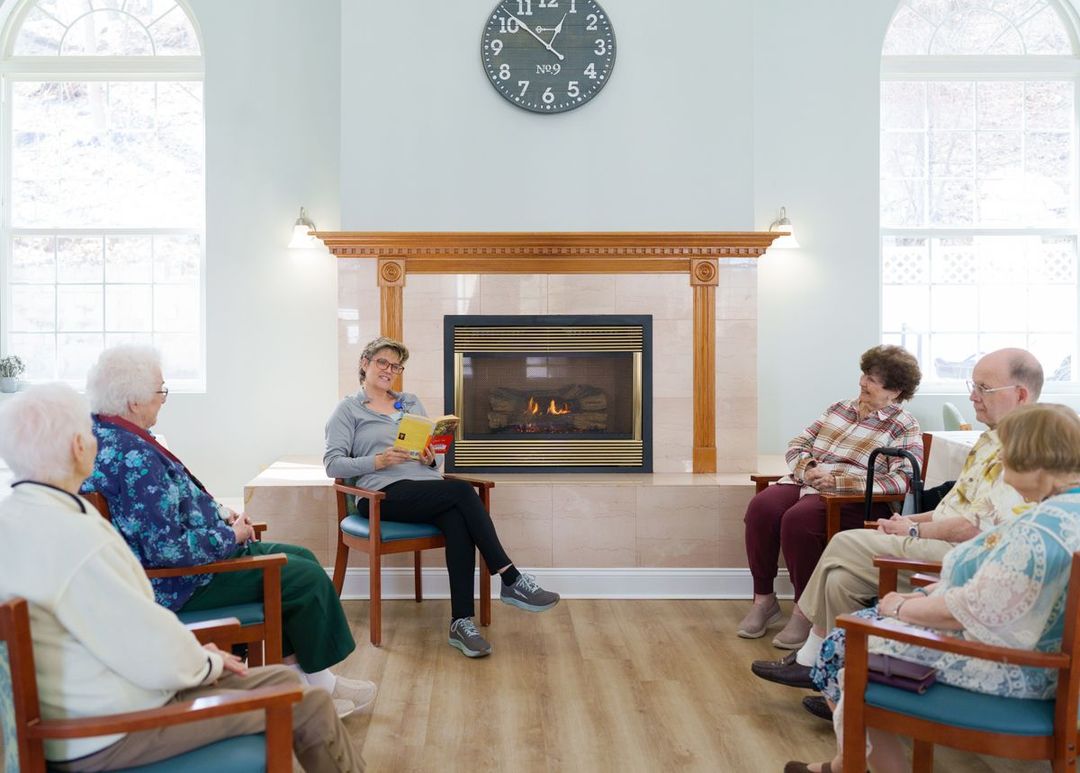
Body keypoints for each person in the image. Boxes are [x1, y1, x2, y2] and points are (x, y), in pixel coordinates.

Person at [0, 384, 365, 772]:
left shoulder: (17, 519)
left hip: (87, 707)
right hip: (109, 730)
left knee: (280, 679)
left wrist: (200, 659)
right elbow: (144, 643)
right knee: (306, 706)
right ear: (78, 446)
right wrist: (206, 661)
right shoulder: (80, 540)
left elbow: (128, 630)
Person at [79, 345, 375, 718]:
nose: (164, 400)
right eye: (160, 391)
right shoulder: (134, 456)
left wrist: (219, 515)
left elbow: (169, 509)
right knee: (303, 577)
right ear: (135, 400)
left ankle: (305, 678)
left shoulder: (106, 437)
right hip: (177, 583)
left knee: (301, 557)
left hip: (181, 567)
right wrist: (229, 536)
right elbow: (167, 550)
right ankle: (317, 686)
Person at [786, 403, 1080, 773]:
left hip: (1018, 670)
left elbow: (965, 612)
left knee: (842, 648)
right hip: (1044, 659)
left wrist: (898, 607)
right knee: (853, 612)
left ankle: (858, 764)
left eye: (1005, 459)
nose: (1001, 468)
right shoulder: (1062, 513)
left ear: (1030, 460)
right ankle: (849, 762)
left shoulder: (1034, 532)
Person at [752, 348, 1042, 701]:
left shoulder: (1025, 448)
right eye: (973, 385)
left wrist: (913, 529)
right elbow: (953, 509)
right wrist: (908, 520)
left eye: (983, 388)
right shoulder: (988, 441)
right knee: (839, 578)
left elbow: (972, 527)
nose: (971, 396)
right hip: (913, 525)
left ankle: (810, 656)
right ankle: (844, 688)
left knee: (841, 544)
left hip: (965, 555)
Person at [324, 336, 560, 658]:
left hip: (426, 488)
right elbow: (332, 464)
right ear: (365, 363)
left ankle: (461, 622)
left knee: (457, 520)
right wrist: (377, 460)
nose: (389, 370)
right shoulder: (348, 410)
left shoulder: (410, 402)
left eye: (395, 366)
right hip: (380, 493)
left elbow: (437, 459)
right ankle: (509, 576)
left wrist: (430, 457)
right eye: (382, 362)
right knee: (462, 492)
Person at [740, 345, 923, 649]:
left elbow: (901, 481)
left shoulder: (904, 425)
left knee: (799, 520)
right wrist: (808, 467)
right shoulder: (839, 408)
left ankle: (805, 610)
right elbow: (798, 443)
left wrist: (840, 482)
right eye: (865, 374)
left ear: (895, 391)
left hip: (848, 497)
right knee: (762, 507)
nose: (863, 382)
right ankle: (764, 600)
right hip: (807, 481)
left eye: (874, 380)